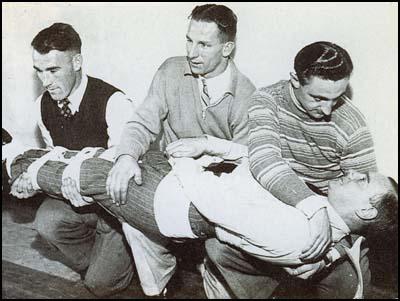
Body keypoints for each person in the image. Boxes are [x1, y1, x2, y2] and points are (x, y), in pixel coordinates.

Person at [4, 143, 397, 299]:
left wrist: (185, 162)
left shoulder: (300, 233)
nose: (351, 173)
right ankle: (31, 159)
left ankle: (12, 160)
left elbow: (217, 206)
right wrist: (208, 146)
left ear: (365, 211)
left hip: (175, 205)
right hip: (181, 184)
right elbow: (261, 162)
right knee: (99, 160)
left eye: (362, 182)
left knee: (89, 176)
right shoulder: (313, 207)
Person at [203, 41, 380, 298]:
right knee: (218, 249)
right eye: (318, 98)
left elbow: (365, 213)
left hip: (336, 227)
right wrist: (313, 208)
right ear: (295, 79)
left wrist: (329, 256)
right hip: (278, 206)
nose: (328, 109)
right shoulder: (267, 100)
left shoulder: (353, 126)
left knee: (349, 285)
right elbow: (263, 161)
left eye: (336, 98)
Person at [106, 4, 256, 296]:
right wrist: (125, 157)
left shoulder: (247, 95)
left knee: (222, 260)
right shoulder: (171, 70)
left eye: (203, 44)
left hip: (216, 194)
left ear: (227, 48)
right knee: (132, 212)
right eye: (189, 40)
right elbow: (143, 121)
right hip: (169, 178)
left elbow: (245, 165)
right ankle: (157, 287)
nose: (192, 52)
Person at [10, 23, 135, 296]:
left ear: (77, 62)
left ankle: (120, 258)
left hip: (117, 209)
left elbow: (125, 172)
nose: (45, 82)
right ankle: (106, 261)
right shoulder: (43, 106)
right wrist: (32, 181)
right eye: (39, 71)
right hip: (77, 203)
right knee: (46, 221)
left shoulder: (114, 102)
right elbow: (56, 159)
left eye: (53, 70)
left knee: (100, 285)